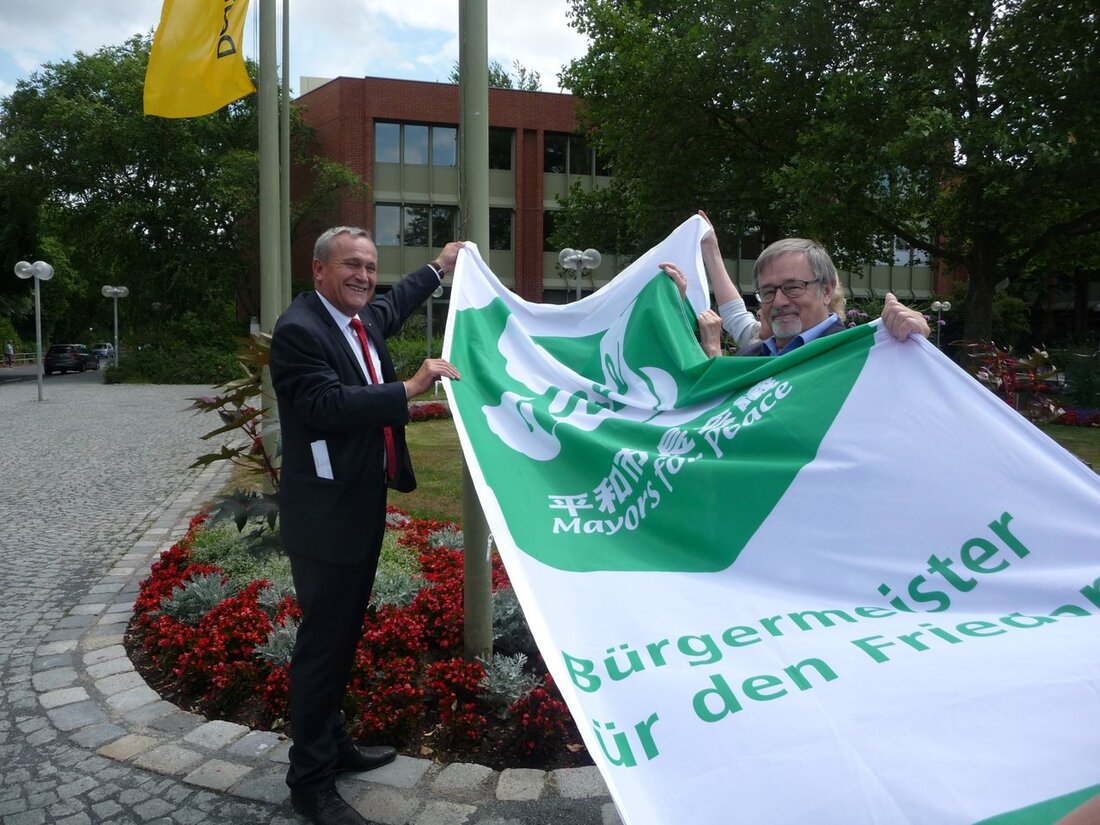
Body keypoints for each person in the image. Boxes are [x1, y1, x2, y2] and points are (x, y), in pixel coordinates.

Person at [268, 226, 463, 825]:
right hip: (326, 517)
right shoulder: (299, 331)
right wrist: (409, 387)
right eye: (351, 265)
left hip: (357, 505)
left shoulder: (357, 319)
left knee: (341, 638)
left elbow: (391, 303)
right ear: (317, 269)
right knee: (323, 649)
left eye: (370, 266)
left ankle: (335, 744)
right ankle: (311, 782)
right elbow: (325, 406)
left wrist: (439, 266)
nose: (363, 276)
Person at [662, 228, 927, 356]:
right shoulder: (750, 357)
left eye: (793, 288)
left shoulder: (865, 354)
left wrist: (914, 347)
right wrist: (672, 306)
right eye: (767, 292)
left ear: (826, 290)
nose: (778, 301)